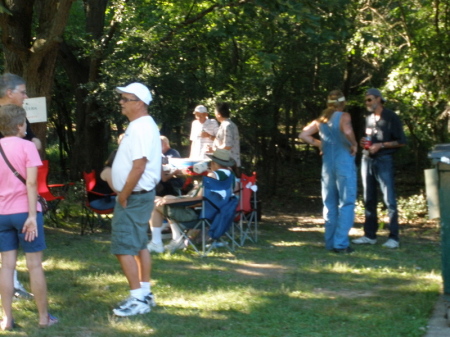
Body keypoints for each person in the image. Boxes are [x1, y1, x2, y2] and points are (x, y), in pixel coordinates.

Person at [0, 104, 57, 330]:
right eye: (25, 123)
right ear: (18, 125)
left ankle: (7, 319)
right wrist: (33, 215)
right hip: (25, 212)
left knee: (6, 267)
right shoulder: (27, 147)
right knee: (34, 265)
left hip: (2, 214)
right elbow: (32, 183)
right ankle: (44, 318)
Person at [110, 82, 161, 317]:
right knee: (140, 245)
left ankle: (137, 299)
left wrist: (123, 194)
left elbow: (139, 166)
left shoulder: (141, 127)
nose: (121, 102)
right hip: (139, 195)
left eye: (125, 98)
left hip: (133, 197)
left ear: (139, 103)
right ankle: (145, 292)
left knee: (123, 247)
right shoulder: (141, 125)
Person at [299, 90, 358, 254]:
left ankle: (330, 242)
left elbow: (303, 134)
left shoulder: (321, 120)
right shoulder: (344, 116)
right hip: (344, 163)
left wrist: (320, 144)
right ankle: (341, 244)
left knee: (329, 204)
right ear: (343, 102)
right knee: (346, 203)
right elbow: (347, 131)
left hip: (327, 167)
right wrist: (354, 144)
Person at [0, 73, 41, 299]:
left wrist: (30, 143)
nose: (26, 96)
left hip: (14, 197)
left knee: (7, 254)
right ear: (10, 93)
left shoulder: (20, 116)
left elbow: (34, 141)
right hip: (11, 197)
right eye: (23, 92)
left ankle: (13, 286)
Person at [149, 149, 236, 254]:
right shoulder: (231, 176)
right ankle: (177, 239)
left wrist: (173, 201)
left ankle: (156, 243)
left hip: (199, 216)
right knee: (167, 197)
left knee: (155, 204)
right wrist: (172, 199)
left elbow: (199, 200)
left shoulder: (212, 177)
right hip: (216, 215)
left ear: (214, 163)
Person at [352, 88, 406, 249]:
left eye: (369, 99)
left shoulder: (391, 117)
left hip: (384, 160)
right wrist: (365, 143)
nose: (367, 103)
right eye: (366, 100)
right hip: (367, 160)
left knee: (389, 199)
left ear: (379, 99)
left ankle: (394, 237)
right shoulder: (368, 118)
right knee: (369, 198)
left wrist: (380, 145)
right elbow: (369, 138)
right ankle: (370, 235)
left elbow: (401, 141)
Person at [148, 136, 185, 253]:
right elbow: (163, 177)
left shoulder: (170, 154)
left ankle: (158, 238)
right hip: (161, 185)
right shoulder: (158, 157)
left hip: (161, 185)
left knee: (158, 197)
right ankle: (170, 235)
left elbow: (164, 177)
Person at [210, 102, 241, 169]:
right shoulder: (228, 124)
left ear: (219, 114)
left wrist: (214, 150)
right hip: (226, 162)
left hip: (228, 163)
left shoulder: (227, 126)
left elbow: (227, 146)